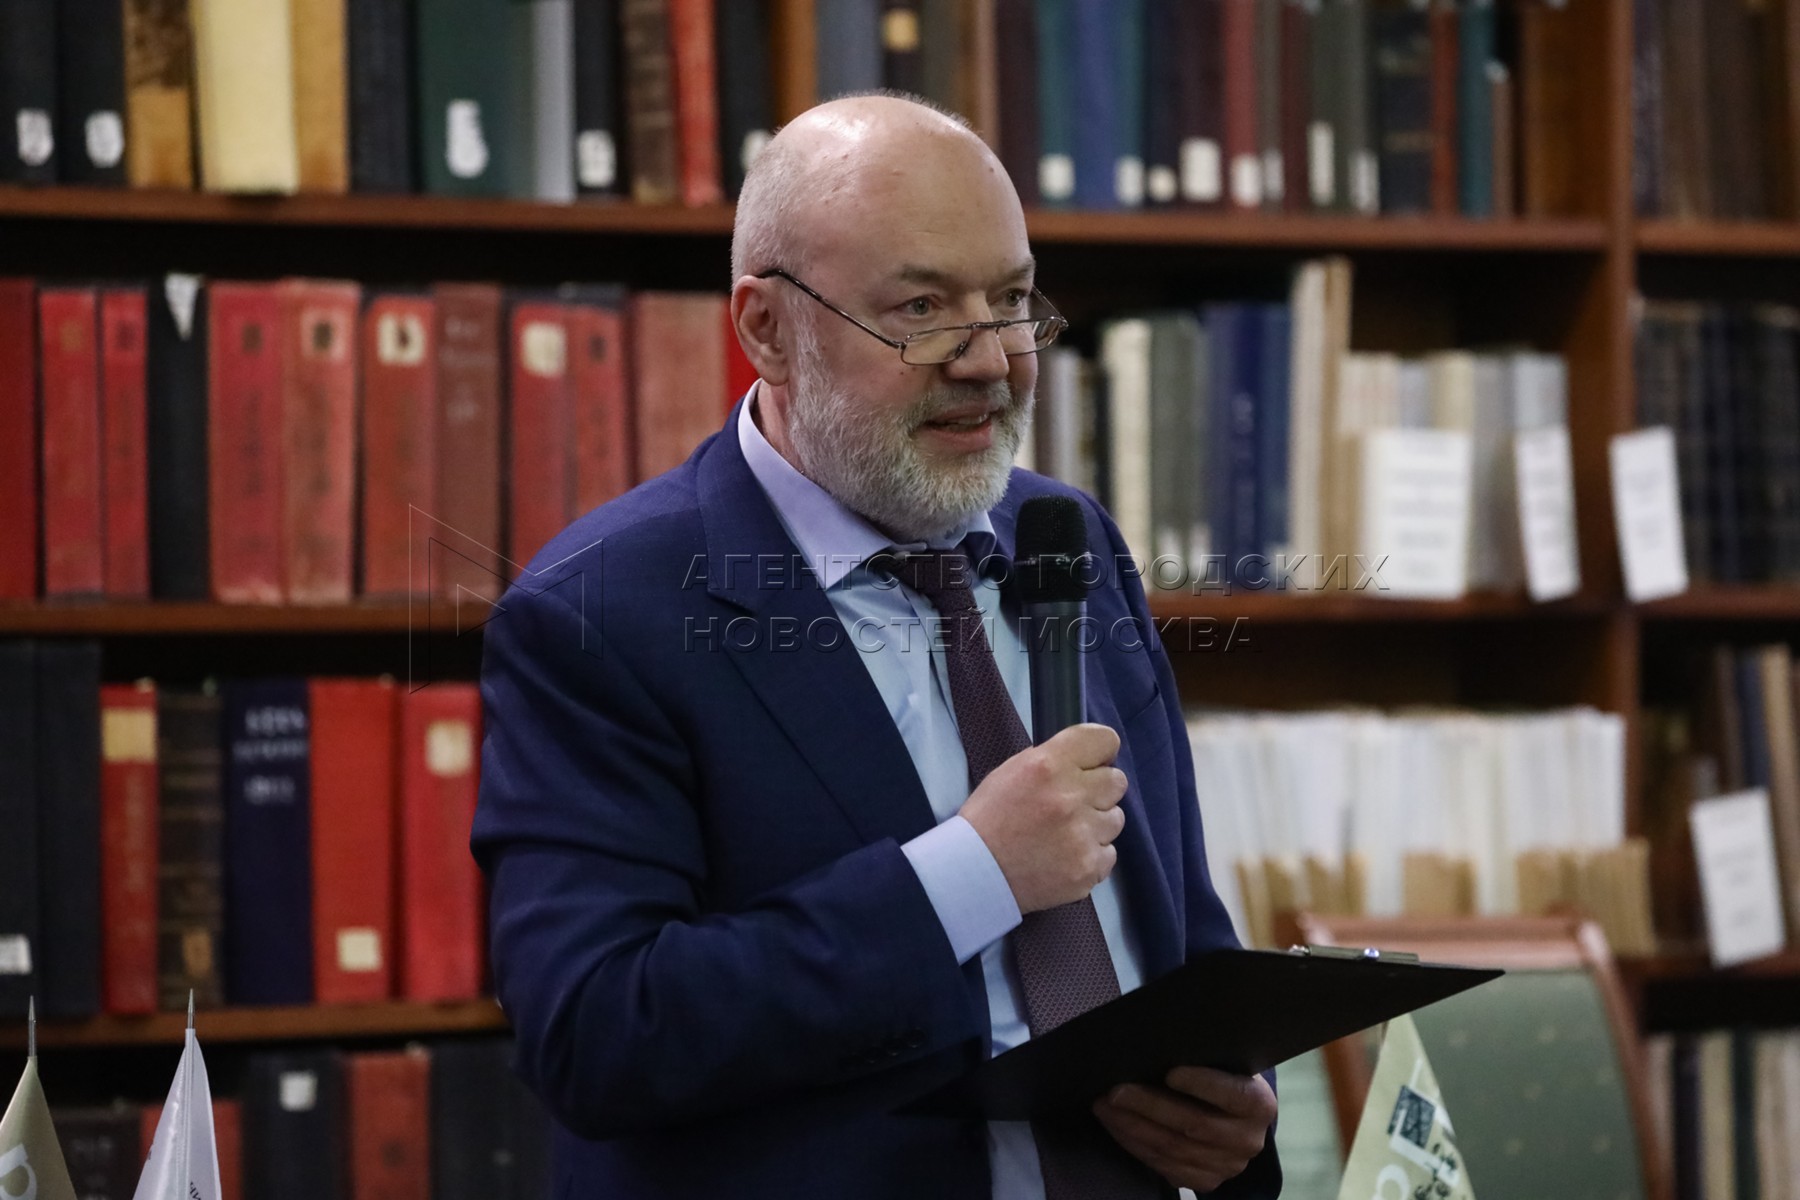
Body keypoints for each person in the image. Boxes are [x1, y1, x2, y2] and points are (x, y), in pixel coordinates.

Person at [472, 94, 1280, 1199]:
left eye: (1012, 300)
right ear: (767, 329)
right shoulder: (600, 611)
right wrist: (972, 874)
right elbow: (597, 1031)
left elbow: (1174, 926)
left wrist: (1234, 1114)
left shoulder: (1068, 537)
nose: (991, 361)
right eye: (922, 309)